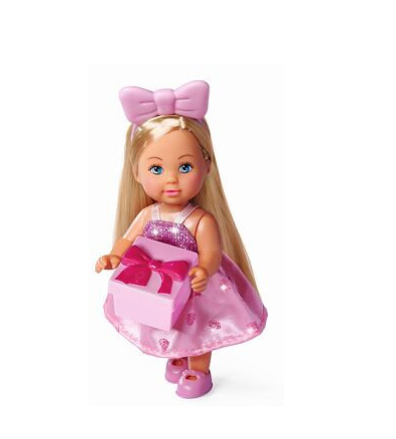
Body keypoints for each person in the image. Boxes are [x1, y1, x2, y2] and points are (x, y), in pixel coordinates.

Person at [95, 80, 267, 398]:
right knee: (167, 320)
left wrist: (204, 269)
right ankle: (177, 356)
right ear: (136, 172)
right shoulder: (148, 214)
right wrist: (114, 256)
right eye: (156, 169)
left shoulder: (200, 219)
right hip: (160, 285)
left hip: (196, 288)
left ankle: (198, 368)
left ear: (207, 166)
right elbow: (127, 239)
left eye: (185, 166)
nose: (172, 179)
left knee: (198, 329)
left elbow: (211, 252)